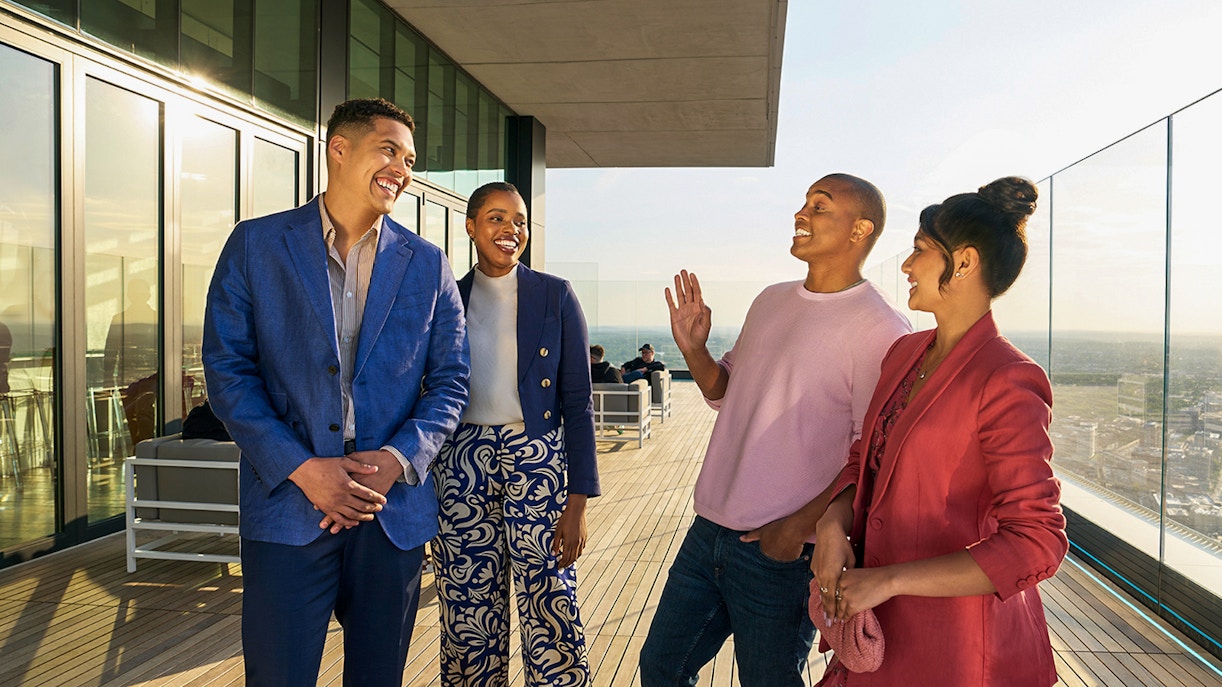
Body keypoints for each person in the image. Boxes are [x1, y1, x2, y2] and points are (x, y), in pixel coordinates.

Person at [202, 98, 470, 686]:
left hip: (389, 513)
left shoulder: (428, 264)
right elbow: (227, 370)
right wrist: (302, 468)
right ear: (339, 150)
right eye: (389, 150)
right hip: (289, 510)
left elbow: (451, 380)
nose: (402, 168)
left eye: (409, 158)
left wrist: (398, 459)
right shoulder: (256, 244)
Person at [639, 174, 911, 686]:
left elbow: (872, 455)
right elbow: (725, 391)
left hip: (782, 554)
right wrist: (693, 349)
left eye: (819, 206)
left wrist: (795, 529)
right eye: (803, 203)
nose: (800, 214)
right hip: (708, 532)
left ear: (860, 230)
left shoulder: (882, 329)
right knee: (660, 668)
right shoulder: (770, 299)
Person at [811, 178, 1067, 686]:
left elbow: (1037, 540)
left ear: (965, 262)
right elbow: (867, 458)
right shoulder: (904, 354)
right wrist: (830, 525)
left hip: (961, 651)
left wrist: (889, 580)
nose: (906, 265)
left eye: (920, 250)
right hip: (883, 632)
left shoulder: (1007, 377)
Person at [432, 181, 599, 685]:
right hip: (460, 462)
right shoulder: (446, 297)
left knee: (550, 598)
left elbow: (577, 401)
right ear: (471, 226)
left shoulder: (555, 294)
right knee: (466, 606)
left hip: (537, 456)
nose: (511, 230)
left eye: (519, 220)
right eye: (496, 218)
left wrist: (578, 503)